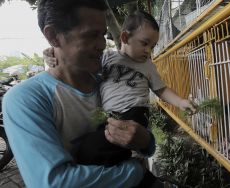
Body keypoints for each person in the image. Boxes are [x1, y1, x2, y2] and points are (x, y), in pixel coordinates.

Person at [3, 0, 155, 187]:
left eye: (102, 34)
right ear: (53, 37)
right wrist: (135, 171)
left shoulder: (110, 83)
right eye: (91, 35)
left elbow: (142, 138)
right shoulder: (27, 99)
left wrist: (146, 141)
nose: (101, 44)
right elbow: (54, 183)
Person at [43, 10, 197, 187]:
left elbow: (161, 90)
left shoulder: (147, 66)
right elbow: (79, 64)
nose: (148, 51)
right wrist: (52, 52)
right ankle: (131, 175)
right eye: (144, 43)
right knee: (94, 147)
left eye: (152, 46)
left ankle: (133, 175)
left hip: (136, 113)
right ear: (124, 37)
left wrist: (181, 102)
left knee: (91, 149)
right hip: (111, 117)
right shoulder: (107, 57)